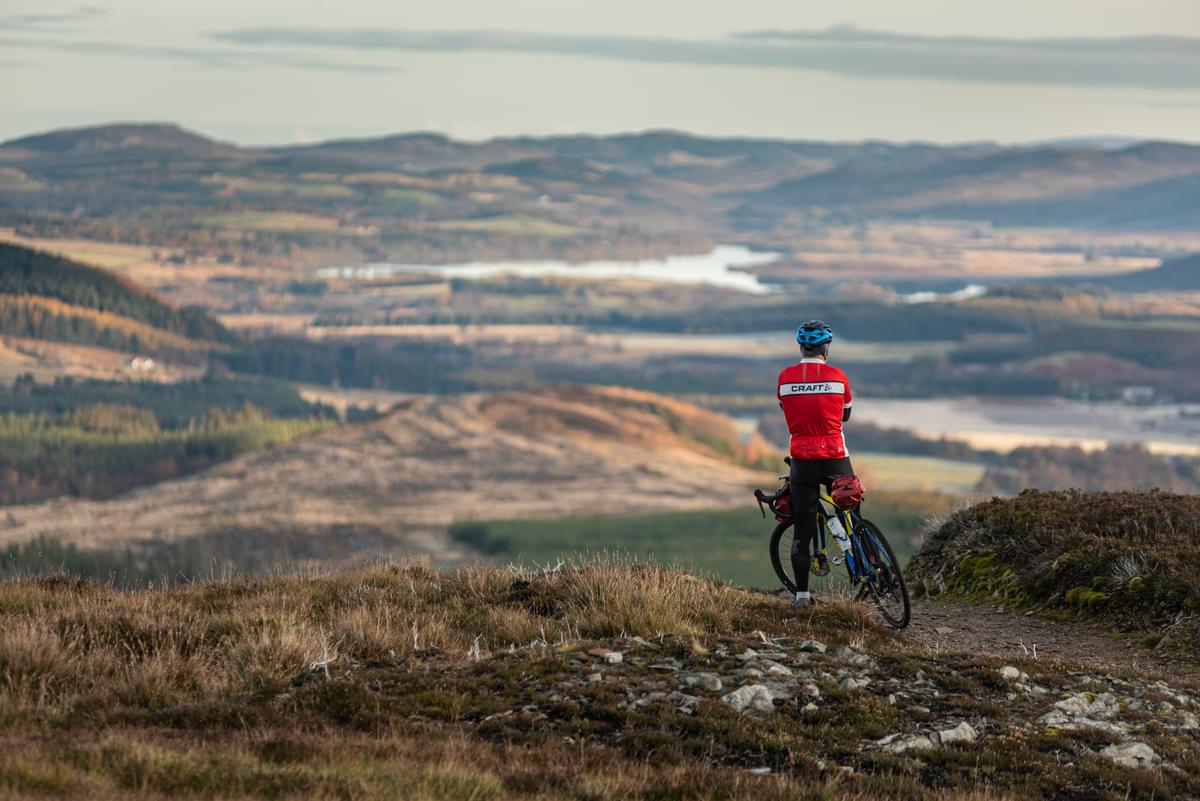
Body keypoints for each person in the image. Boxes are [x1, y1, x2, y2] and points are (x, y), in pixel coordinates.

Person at [776, 320, 854, 609]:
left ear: (801, 346)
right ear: (826, 348)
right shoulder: (838, 376)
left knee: (802, 530)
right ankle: (864, 559)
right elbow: (845, 415)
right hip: (835, 456)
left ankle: (802, 597)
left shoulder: (785, 377)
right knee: (852, 509)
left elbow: (786, 410)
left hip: (802, 461)